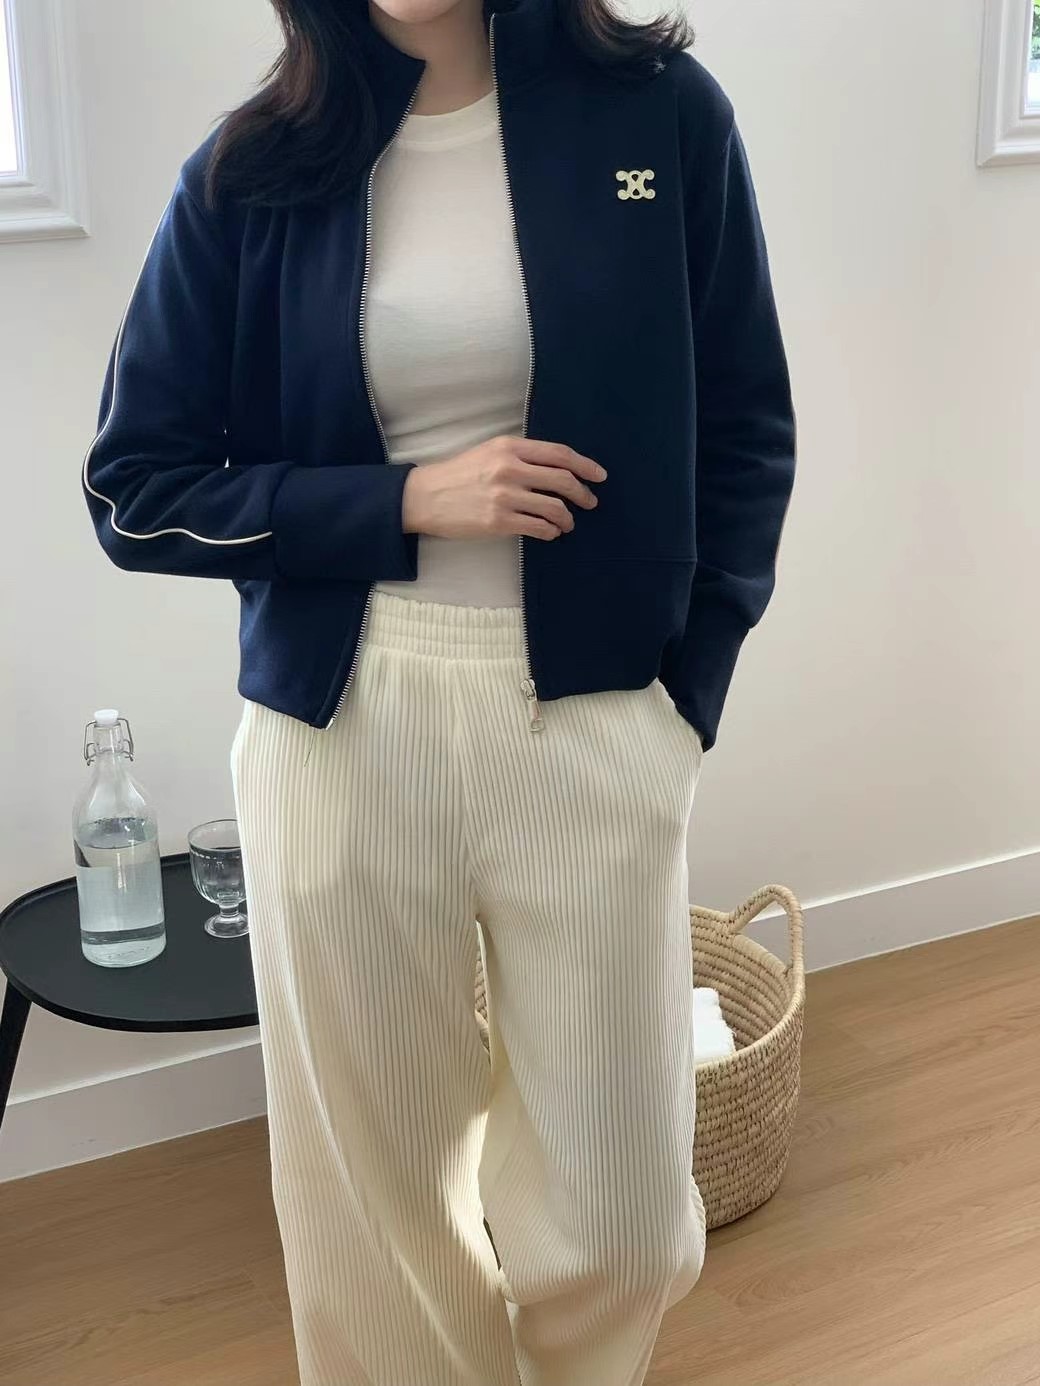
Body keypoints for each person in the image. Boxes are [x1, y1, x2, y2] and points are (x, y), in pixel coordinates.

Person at [80, 0, 796, 1380]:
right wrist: (402, 500)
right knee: (378, 1212)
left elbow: (747, 426)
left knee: (625, 1218)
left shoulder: (663, 116)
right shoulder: (252, 168)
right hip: (343, 728)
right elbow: (135, 487)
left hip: (594, 717)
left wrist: (684, 695)